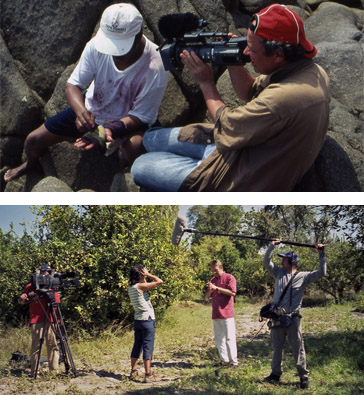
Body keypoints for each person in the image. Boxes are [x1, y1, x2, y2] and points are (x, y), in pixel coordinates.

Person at [131, 3, 330, 191]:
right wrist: (231, 59)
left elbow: (227, 128)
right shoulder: (310, 70)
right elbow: (250, 91)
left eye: (251, 49)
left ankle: (192, 172)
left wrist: (206, 83)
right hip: (244, 146)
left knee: (140, 166)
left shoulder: (283, 98)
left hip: (239, 175)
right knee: (151, 139)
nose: (245, 52)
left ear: (278, 54)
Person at [4, 3, 169, 183]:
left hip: (130, 122)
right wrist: (81, 112)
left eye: (120, 47)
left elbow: (141, 115)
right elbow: (73, 85)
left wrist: (110, 129)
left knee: (133, 149)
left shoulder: (156, 65)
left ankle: (125, 172)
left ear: (138, 36)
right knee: (32, 141)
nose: (114, 52)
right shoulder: (96, 46)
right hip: (93, 110)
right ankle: (31, 164)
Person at [262, 239, 326, 389]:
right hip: (277, 317)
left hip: (293, 318)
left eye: (284, 258)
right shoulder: (278, 273)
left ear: (292, 261)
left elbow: (322, 273)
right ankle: (275, 374)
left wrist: (321, 254)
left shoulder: (303, 276)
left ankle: (303, 377)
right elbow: (266, 262)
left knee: (298, 347)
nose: (282, 260)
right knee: (277, 347)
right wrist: (272, 246)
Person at [19, 264, 60, 377]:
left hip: (51, 319)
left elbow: (56, 303)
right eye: (44, 271)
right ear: (40, 272)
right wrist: (23, 298)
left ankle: (54, 371)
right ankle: (35, 372)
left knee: (53, 345)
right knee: (36, 346)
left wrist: (58, 319)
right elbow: (23, 301)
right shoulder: (31, 285)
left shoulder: (52, 285)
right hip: (37, 320)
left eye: (48, 271)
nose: (46, 273)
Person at [128, 265, 163, 383]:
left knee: (137, 345)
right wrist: (148, 274)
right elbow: (159, 281)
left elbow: (146, 285)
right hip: (147, 320)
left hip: (138, 320)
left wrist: (144, 277)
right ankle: (148, 375)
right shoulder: (140, 286)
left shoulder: (132, 288)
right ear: (140, 276)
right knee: (148, 346)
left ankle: (133, 371)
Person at [205, 259, 238, 367]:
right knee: (219, 338)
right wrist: (210, 289)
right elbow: (206, 297)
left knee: (229, 338)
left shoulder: (229, 278)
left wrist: (217, 288)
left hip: (227, 313)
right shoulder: (213, 280)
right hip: (216, 313)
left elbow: (232, 293)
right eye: (212, 271)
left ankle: (233, 361)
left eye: (216, 270)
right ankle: (224, 360)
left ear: (221, 268)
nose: (214, 273)